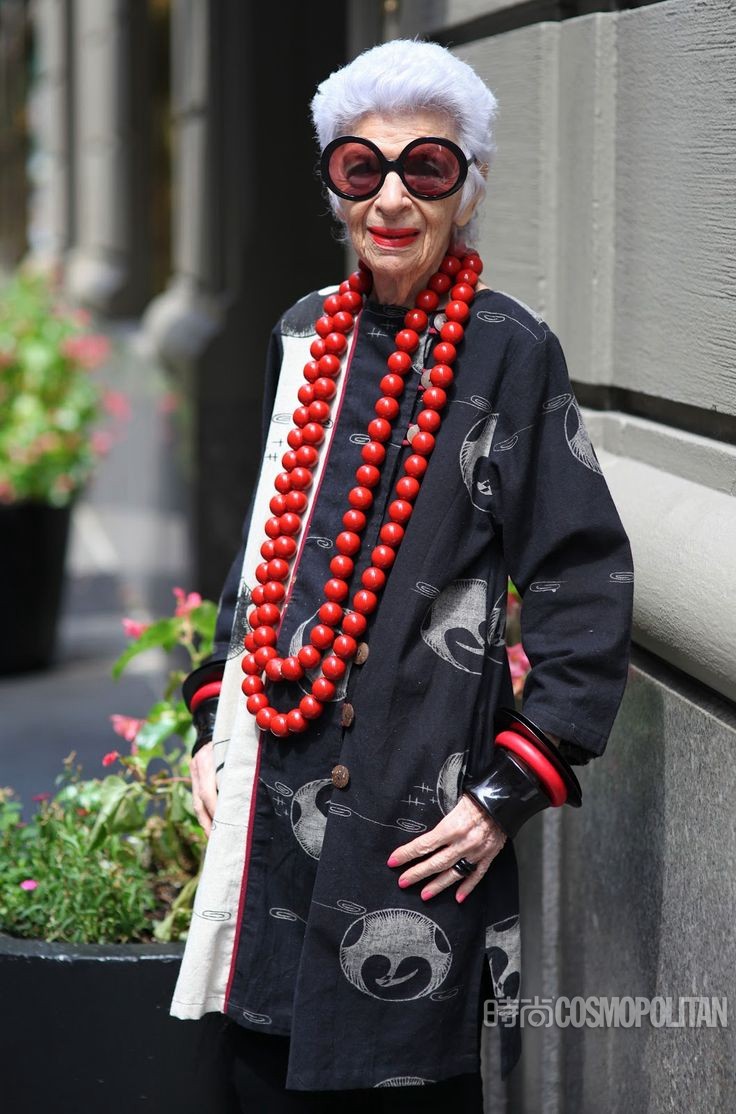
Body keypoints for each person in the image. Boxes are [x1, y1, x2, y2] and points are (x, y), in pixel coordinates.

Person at [170, 38, 634, 1111]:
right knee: (255, 1074)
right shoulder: (304, 333)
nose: (389, 198)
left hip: (414, 821)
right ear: (333, 186)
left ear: (468, 189)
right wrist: (213, 720)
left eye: (425, 168)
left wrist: (508, 789)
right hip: (272, 800)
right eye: (360, 167)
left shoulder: (511, 350)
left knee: (404, 1083)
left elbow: (583, 579)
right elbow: (263, 551)